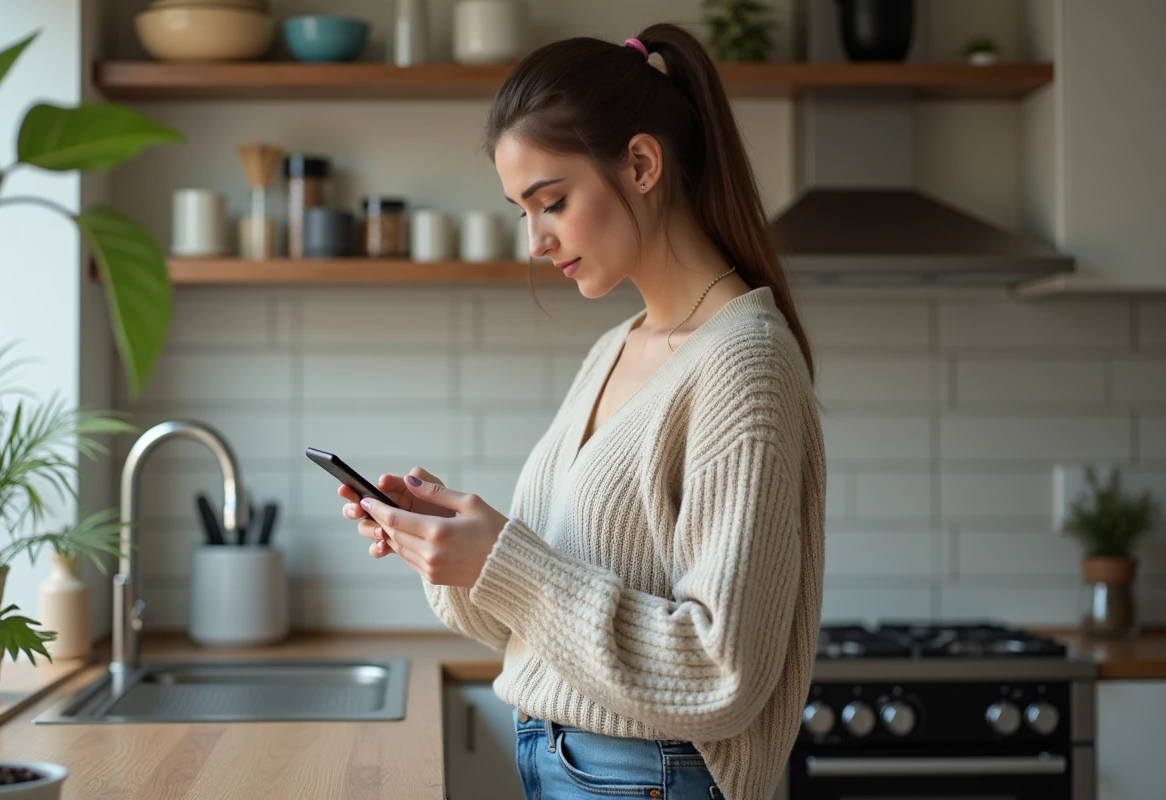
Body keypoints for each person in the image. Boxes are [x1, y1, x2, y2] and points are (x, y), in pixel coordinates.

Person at [336, 22, 826, 800]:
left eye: (552, 201)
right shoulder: (617, 347)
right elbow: (528, 618)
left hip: (649, 775)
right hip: (568, 761)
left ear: (640, 163)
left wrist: (502, 560)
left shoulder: (744, 364)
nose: (535, 240)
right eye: (521, 210)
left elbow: (719, 671)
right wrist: (446, 546)